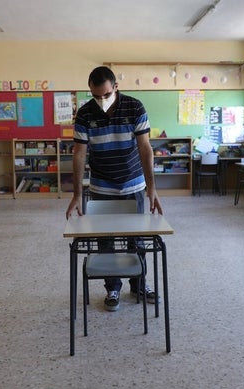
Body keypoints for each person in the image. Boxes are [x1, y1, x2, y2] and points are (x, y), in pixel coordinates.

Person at [65, 66, 163, 312]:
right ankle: (113, 288)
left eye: (106, 94)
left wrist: (152, 188)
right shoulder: (86, 113)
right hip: (102, 187)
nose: (101, 100)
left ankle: (139, 284)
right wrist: (77, 194)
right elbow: (79, 154)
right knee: (105, 243)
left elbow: (145, 148)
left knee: (137, 240)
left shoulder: (135, 107)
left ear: (116, 87)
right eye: (96, 95)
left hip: (133, 185)